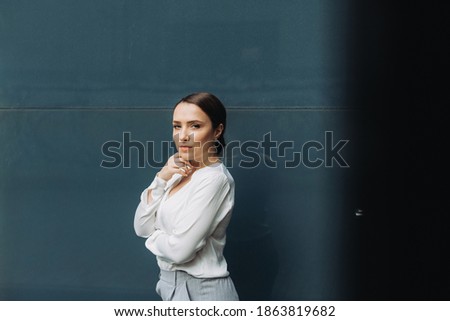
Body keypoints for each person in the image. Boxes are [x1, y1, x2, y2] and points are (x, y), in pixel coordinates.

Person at [134, 92, 239, 301]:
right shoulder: (177, 173)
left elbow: (180, 252)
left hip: (202, 292)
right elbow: (141, 226)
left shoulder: (213, 179)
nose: (182, 135)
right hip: (168, 286)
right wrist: (162, 177)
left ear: (217, 130)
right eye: (177, 126)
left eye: (195, 126)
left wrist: (154, 235)